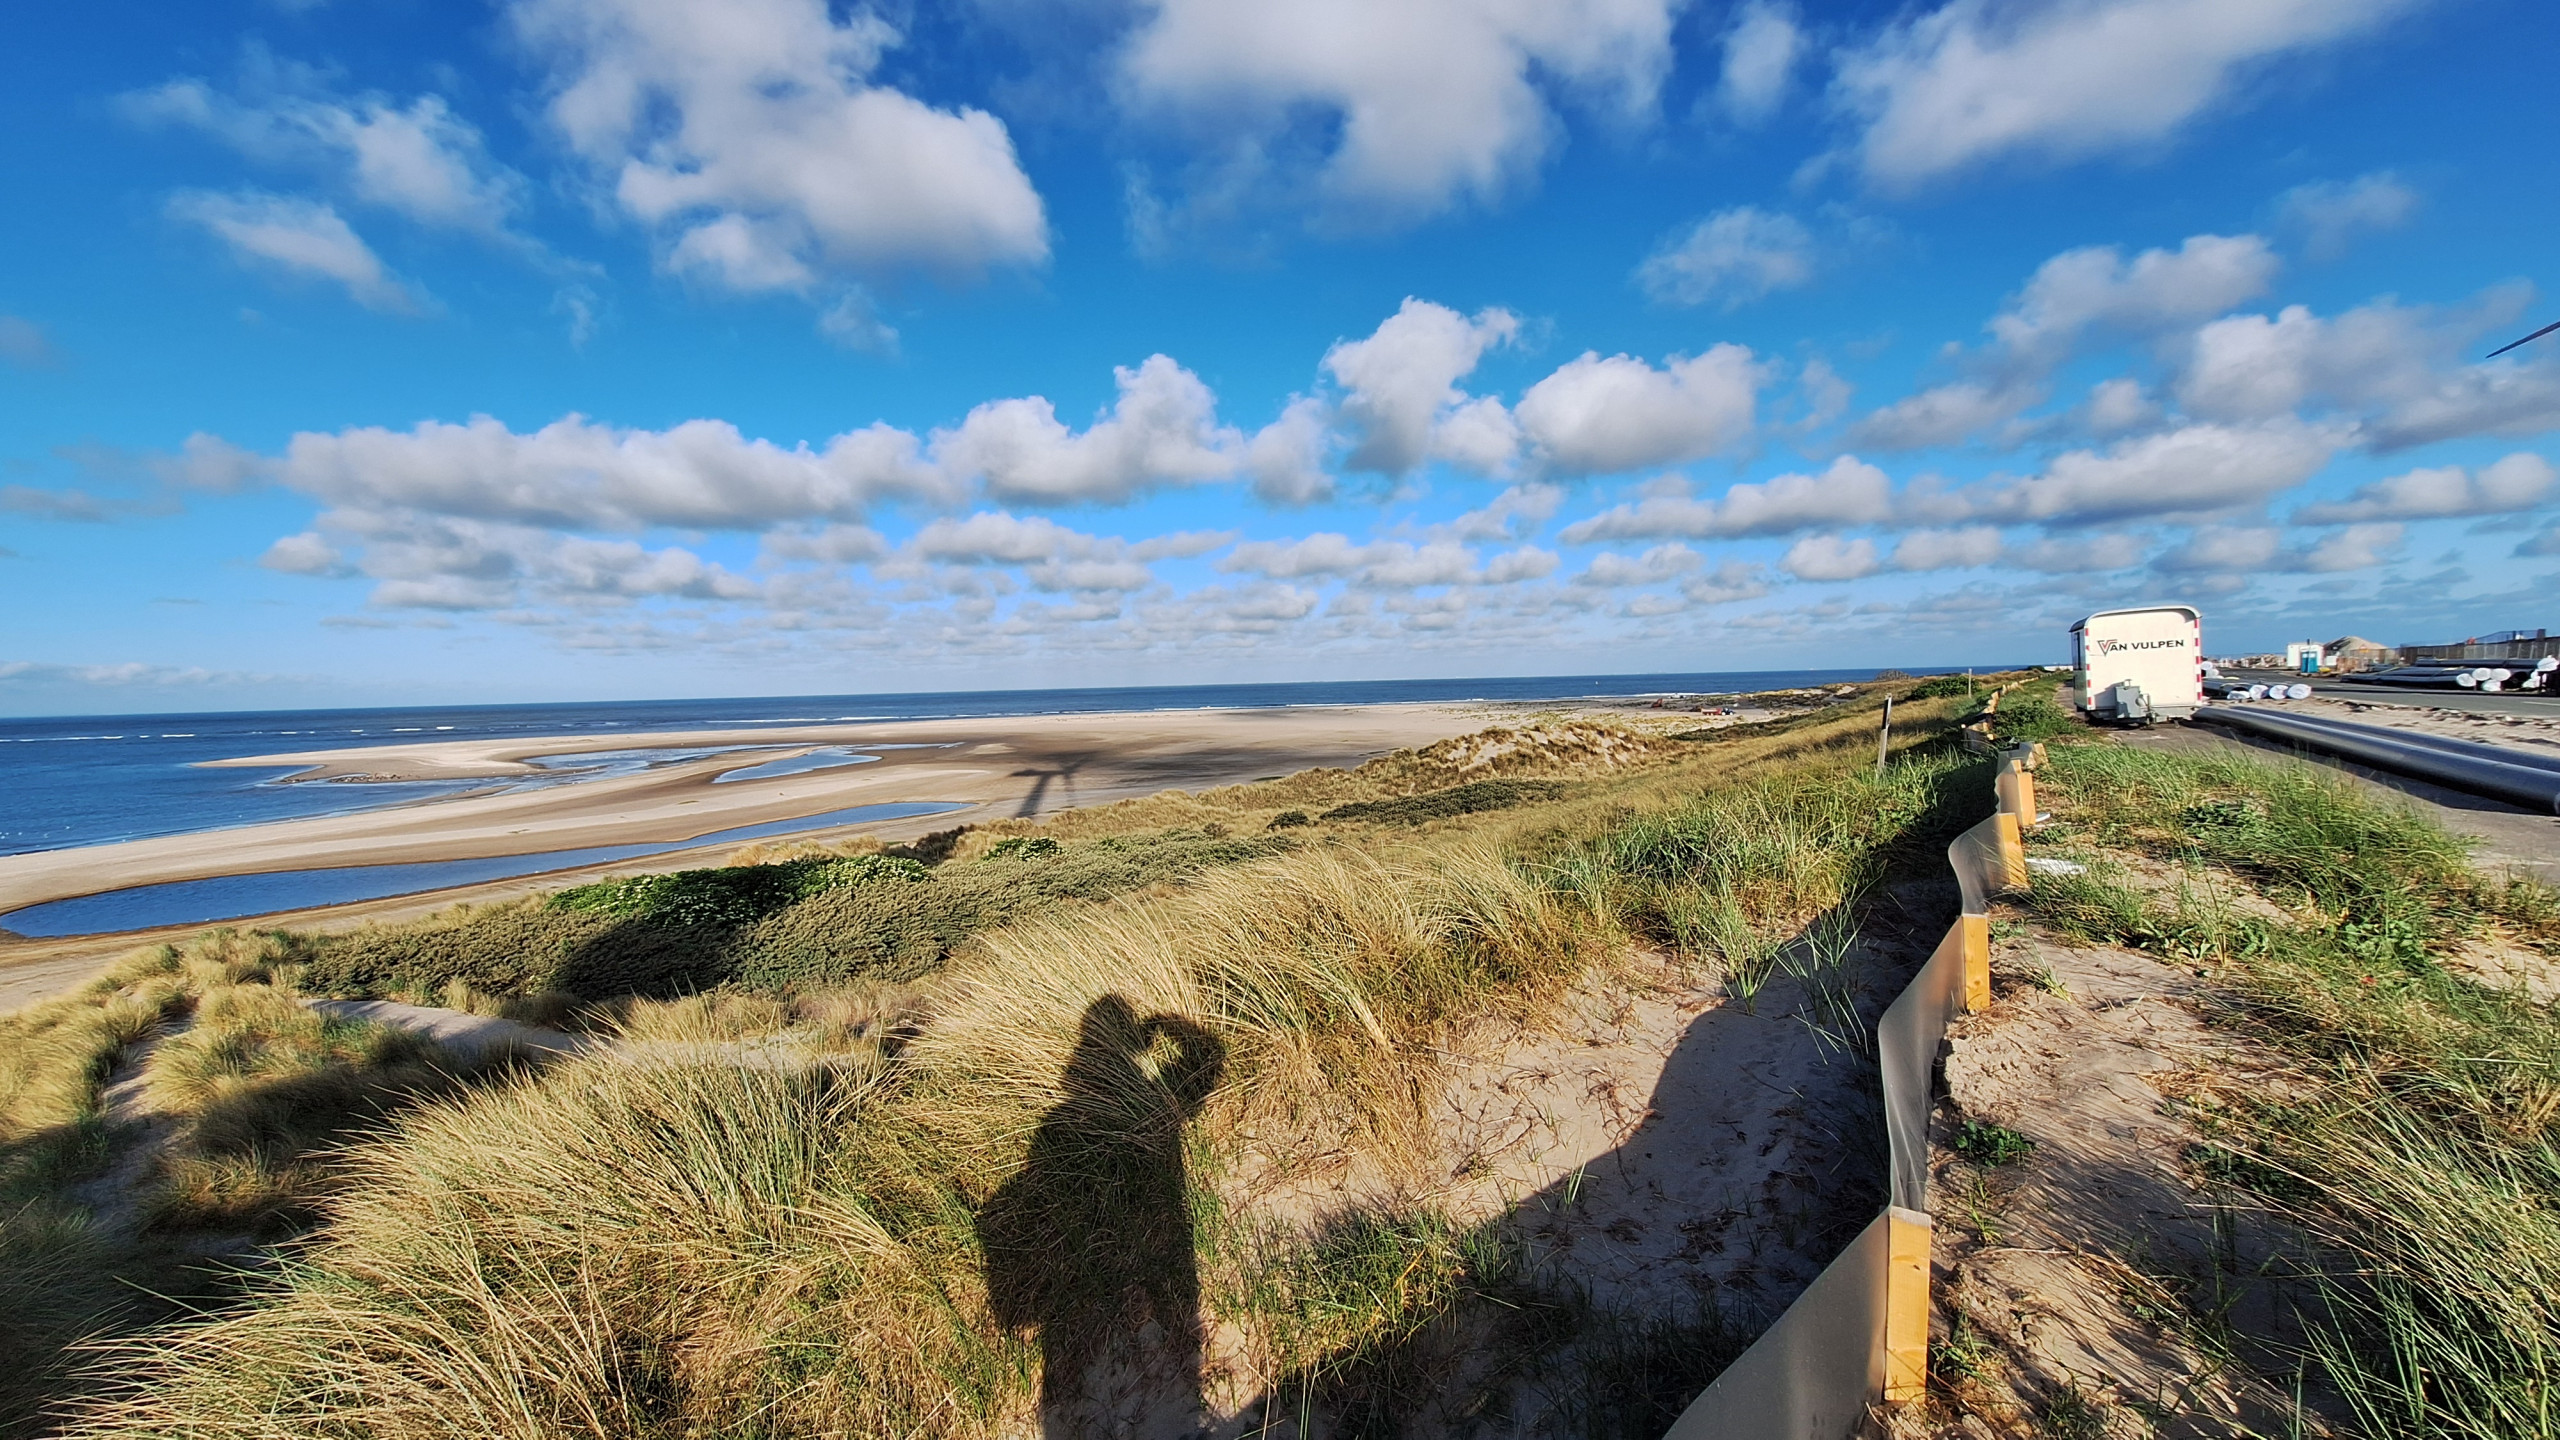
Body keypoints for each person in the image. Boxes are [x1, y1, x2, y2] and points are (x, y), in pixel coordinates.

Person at [979, 994, 1225, 1436]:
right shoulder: (1131, 1095)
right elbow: (1209, 1059)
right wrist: (1168, 1023)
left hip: (1087, 1298)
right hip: (1147, 1245)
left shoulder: (1060, 1119)